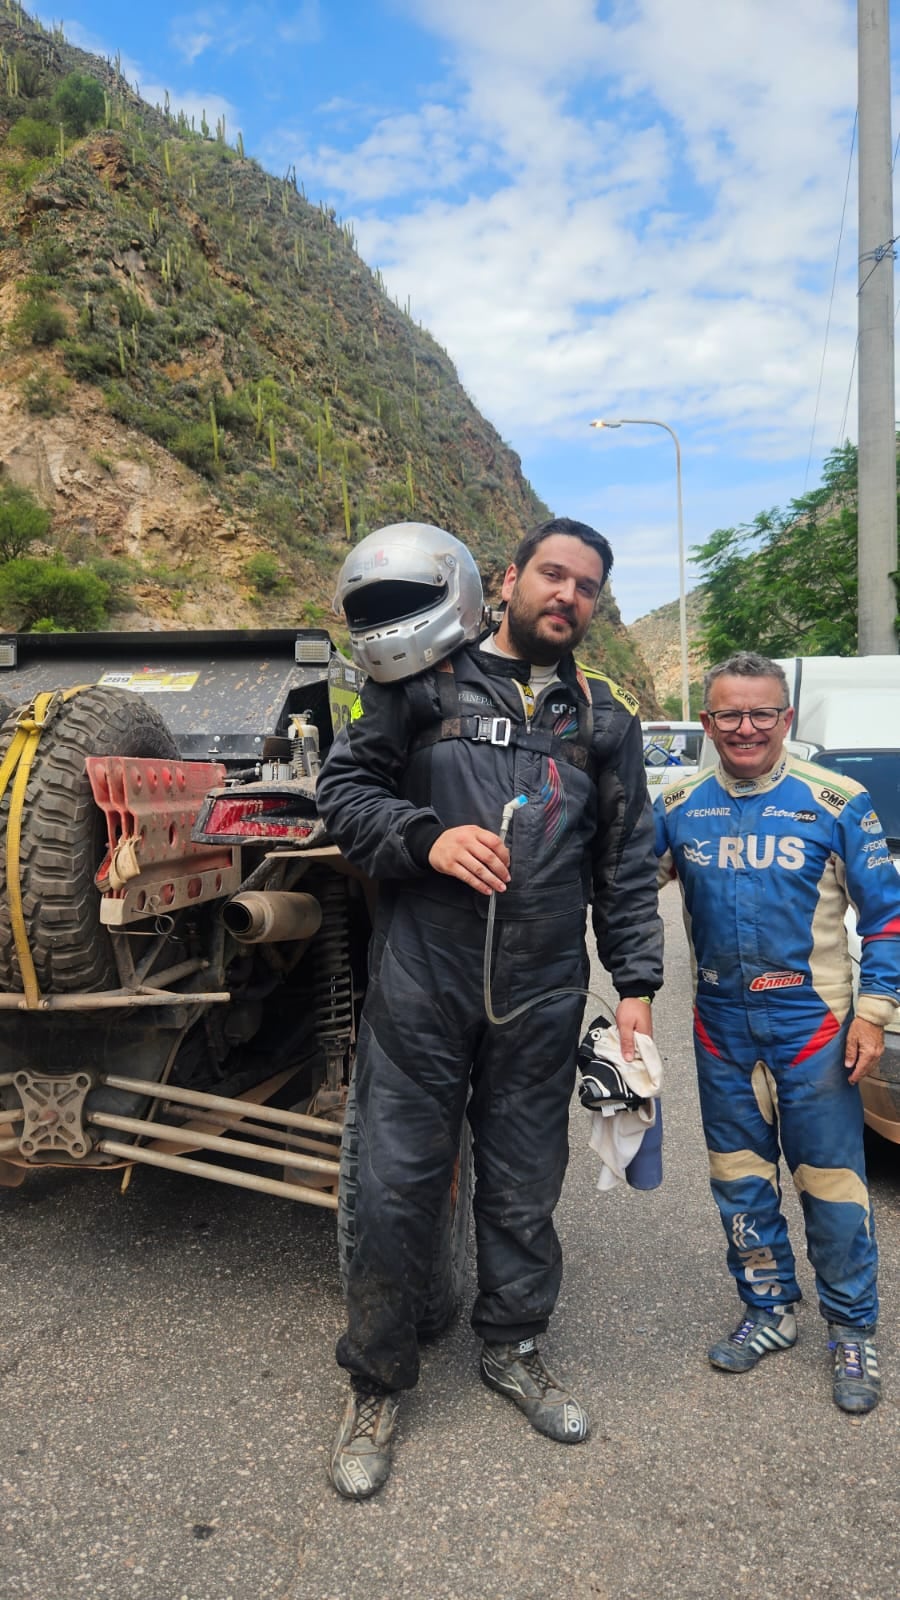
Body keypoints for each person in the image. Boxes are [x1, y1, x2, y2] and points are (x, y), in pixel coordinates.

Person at [317, 516, 663, 1499]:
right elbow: (342, 792)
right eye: (553, 574)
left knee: (522, 1194)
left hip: (542, 997)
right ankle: (378, 1382)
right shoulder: (420, 684)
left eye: (588, 585)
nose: (568, 595)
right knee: (392, 1196)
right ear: (505, 581)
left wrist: (635, 987)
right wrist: (423, 837)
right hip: (422, 991)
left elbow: (628, 864)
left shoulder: (605, 722)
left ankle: (513, 1348)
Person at [655, 650, 900, 1415]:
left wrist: (874, 1012)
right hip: (721, 1026)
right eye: (729, 713)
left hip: (814, 1027)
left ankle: (852, 1330)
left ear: (787, 717)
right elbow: (623, 890)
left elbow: (888, 916)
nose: (746, 727)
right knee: (738, 1181)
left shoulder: (838, 798)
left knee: (831, 1186)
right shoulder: (677, 801)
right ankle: (767, 1310)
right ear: (707, 722)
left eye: (762, 712)